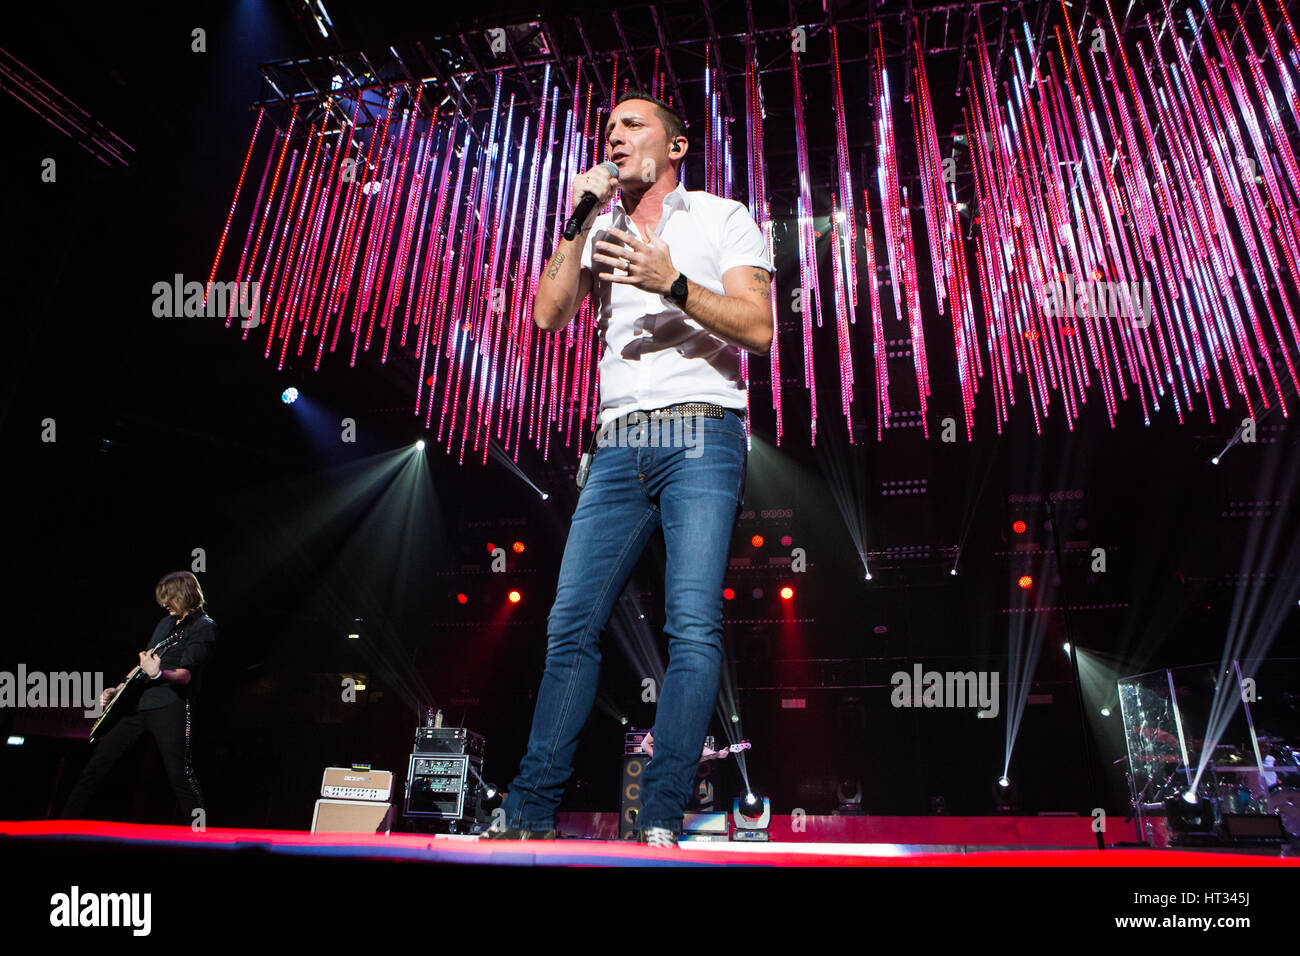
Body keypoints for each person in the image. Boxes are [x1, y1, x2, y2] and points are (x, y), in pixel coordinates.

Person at [486, 90, 774, 847]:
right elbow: (548, 314)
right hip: (615, 444)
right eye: (608, 127)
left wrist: (668, 281)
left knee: (691, 625)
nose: (614, 136)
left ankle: (660, 816)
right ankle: (529, 813)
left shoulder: (721, 217)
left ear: (676, 147)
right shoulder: (600, 224)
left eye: (633, 124)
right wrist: (577, 220)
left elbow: (759, 327)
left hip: (702, 434)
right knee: (570, 624)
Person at [60, 571, 218, 824]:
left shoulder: (203, 626)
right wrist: (118, 688)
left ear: (186, 595)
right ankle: (64, 823)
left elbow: (186, 675)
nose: (165, 605)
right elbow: (144, 660)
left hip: (170, 705)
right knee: (97, 764)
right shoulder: (166, 623)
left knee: (179, 774)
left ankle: (203, 835)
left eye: (170, 599)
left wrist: (159, 675)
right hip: (138, 702)